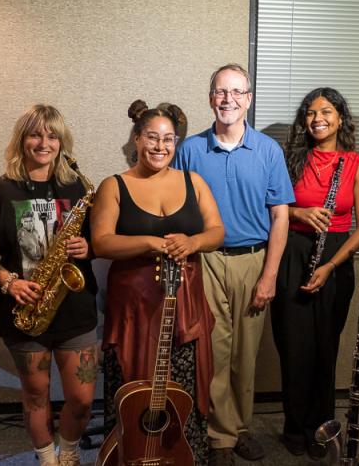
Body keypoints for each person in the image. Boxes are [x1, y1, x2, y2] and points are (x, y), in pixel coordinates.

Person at [173, 63, 295, 464]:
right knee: (215, 350)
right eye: (221, 92)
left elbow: (280, 216)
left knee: (246, 353)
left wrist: (269, 276)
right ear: (211, 99)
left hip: (253, 262)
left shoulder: (267, 150)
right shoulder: (190, 150)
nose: (228, 99)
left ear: (249, 99)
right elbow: (174, 207)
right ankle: (220, 435)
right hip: (205, 262)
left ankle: (240, 427)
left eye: (237, 92)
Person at [91, 100, 224, 464]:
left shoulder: (192, 181)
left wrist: (193, 242)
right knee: (133, 387)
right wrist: (149, 243)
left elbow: (217, 232)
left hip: (185, 305)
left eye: (169, 139)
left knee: (181, 388)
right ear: (137, 139)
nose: (160, 146)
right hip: (134, 308)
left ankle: (183, 455)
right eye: (152, 137)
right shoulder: (114, 185)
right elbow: (101, 241)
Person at [0, 105, 98, 466]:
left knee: (82, 398)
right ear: (21, 139)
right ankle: (46, 458)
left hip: (75, 307)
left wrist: (89, 247)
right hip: (25, 307)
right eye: (36, 134)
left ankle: (70, 452)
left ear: (62, 142)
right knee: (35, 394)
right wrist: (7, 280)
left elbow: (101, 239)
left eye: (52, 135)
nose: (44, 142)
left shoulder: (78, 187)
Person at [271, 88, 359, 458]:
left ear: (340, 118)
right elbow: (274, 206)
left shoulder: (356, 164)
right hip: (293, 253)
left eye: (326, 112)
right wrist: (299, 213)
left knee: (324, 348)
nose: (318, 119)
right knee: (293, 346)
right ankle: (293, 427)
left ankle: (320, 428)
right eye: (311, 113)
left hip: (335, 258)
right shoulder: (290, 159)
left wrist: (331, 265)